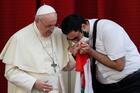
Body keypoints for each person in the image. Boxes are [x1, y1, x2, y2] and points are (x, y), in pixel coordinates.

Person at [0, 5, 75, 93]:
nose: (51, 30)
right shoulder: (19, 38)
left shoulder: (58, 33)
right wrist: (34, 83)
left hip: (55, 89)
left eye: (54, 25)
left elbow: (67, 64)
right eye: (48, 26)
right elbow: (10, 72)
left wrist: (72, 53)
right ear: (37, 21)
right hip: (31, 90)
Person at [61, 14, 140, 93]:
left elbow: (119, 65)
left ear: (83, 27)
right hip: (104, 85)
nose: (75, 42)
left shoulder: (108, 29)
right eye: (71, 39)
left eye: (76, 38)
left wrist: (90, 51)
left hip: (130, 82)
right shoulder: (80, 35)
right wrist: (75, 55)